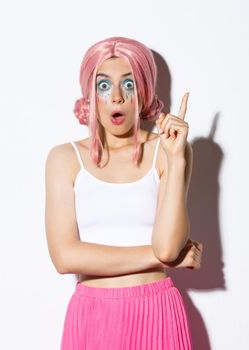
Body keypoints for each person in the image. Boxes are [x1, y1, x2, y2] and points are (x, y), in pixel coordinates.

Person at [45, 36, 204, 350]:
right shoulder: (64, 159)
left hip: (157, 313)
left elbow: (168, 246)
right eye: (104, 86)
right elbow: (65, 257)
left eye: (128, 85)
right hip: (92, 317)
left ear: (143, 91)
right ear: (90, 94)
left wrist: (175, 158)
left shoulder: (167, 150)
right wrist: (162, 259)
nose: (116, 97)